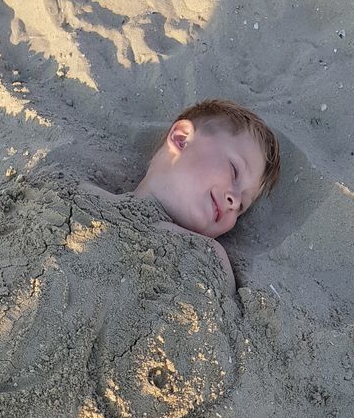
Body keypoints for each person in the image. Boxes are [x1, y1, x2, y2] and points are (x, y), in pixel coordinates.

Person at [82, 98, 280, 294]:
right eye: (234, 171)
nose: (234, 201)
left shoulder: (209, 256)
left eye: (242, 207)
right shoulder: (81, 199)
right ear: (182, 138)